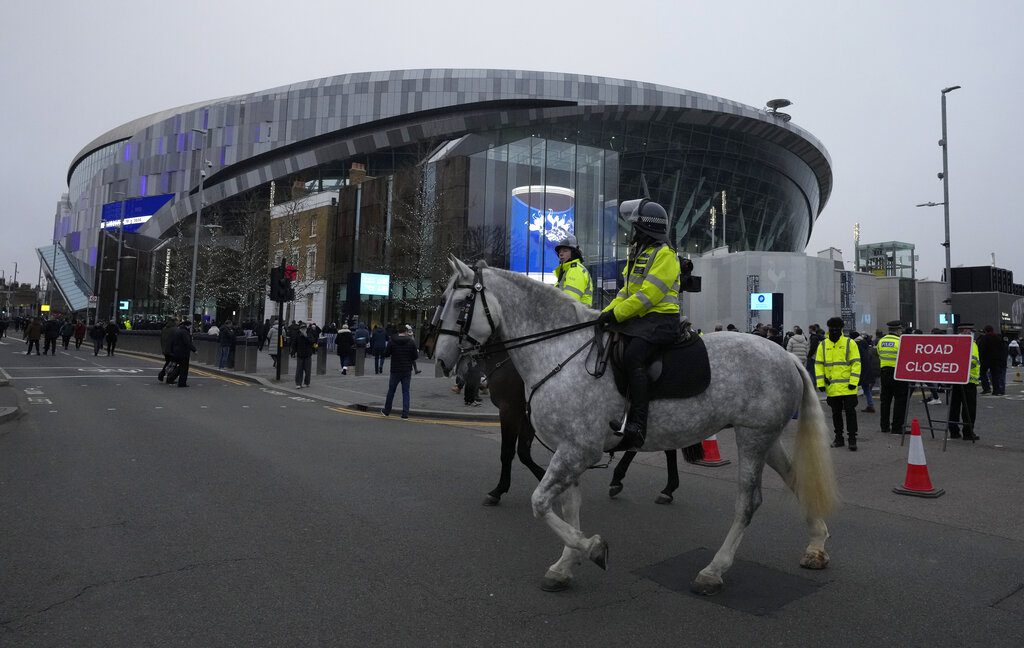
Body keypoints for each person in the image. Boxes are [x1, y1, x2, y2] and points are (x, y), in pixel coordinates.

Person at [596, 199, 681, 452]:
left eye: (636, 228)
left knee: (633, 356)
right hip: (643, 319)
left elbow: (647, 296)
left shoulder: (665, 255)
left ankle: (638, 424)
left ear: (647, 229)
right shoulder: (640, 254)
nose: (633, 233)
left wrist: (617, 316)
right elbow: (626, 291)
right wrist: (604, 314)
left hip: (661, 319)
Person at [815, 317, 861, 451]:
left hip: (848, 388)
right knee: (836, 414)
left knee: (851, 413)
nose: (834, 330)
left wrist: (853, 382)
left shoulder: (849, 343)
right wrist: (820, 383)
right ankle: (839, 438)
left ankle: (852, 439)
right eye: (832, 328)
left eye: (837, 328)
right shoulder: (823, 345)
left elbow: (856, 363)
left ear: (841, 329)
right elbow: (819, 365)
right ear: (829, 329)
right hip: (832, 388)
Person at [948, 322, 980, 441]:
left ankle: (954, 431)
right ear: (965, 331)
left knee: (954, 406)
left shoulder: (954, 342)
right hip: (969, 381)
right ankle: (968, 432)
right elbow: (972, 362)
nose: (972, 333)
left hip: (956, 379)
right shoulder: (970, 343)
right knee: (969, 408)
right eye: (971, 331)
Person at [381, 325, 419, 419]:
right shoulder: (411, 341)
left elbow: (386, 354)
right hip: (407, 370)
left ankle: (386, 411)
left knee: (391, 391)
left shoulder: (392, 341)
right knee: (405, 392)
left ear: (398, 331)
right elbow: (415, 356)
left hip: (395, 369)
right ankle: (405, 413)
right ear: (406, 332)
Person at [877, 320, 908, 434]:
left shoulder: (881, 341)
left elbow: (879, 354)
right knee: (900, 401)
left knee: (885, 401)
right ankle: (897, 427)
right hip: (898, 374)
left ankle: (884, 426)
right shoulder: (901, 341)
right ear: (899, 330)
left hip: (884, 373)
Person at [553, 234, 594, 306]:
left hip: (576, 315)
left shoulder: (575, 270)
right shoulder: (566, 271)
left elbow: (570, 302)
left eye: (565, 251)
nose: (561, 254)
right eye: (560, 252)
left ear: (574, 253)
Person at [977, 325, 1007, 396]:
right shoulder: (997, 338)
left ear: (986, 331)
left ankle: (986, 388)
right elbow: (1002, 348)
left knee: (983, 373)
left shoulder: (984, 338)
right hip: (996, 360)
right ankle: (996, 390)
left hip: (985, 360)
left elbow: (981, 349)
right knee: (995, 375)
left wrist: (981, 359)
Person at [855, 332, 879, 413]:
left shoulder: (856, 345)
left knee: (852, 387)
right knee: (866, 388)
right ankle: (870, 405)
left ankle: (849, 404)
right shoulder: (865, 345)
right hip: (867, 369)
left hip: (859, 370)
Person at [169, 319, 196, 387]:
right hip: (183, 352)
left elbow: (173, 342)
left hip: (177, 352)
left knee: (179, 367)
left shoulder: (178, 330)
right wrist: (194, 350)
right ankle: (182, 383)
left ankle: (170, 378)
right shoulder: (185, 332)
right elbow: (187, 342)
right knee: (184, 368)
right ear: (188, 325)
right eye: (190, 326)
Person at [290, 322, 317, 389]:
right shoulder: (298, 334)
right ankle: (298, 383)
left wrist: (306, 336)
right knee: (299, 370)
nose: (303, 329)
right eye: (302, 328)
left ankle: (306, 382)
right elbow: (294, 343)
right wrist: (293, 352)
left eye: (304, 328)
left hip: (308, 354)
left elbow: (313, 341)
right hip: (300, 354)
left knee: (307, 370)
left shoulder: (309, 334)